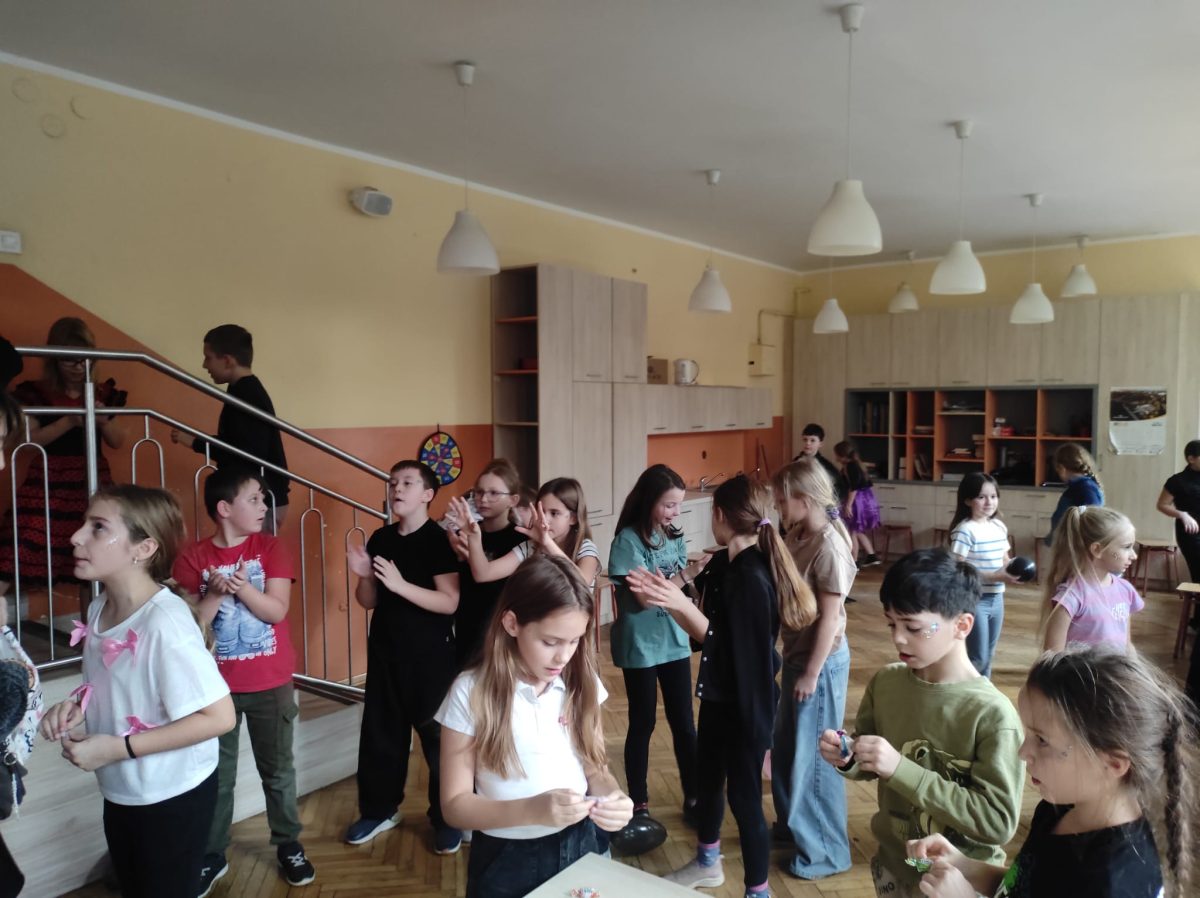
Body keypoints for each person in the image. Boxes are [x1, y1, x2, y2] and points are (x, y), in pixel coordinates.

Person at [37, 485, 235, 898]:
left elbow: (220, 717)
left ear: (143, 549)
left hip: (171, 793)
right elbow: (114, 681)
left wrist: (116, 748)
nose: (75, 536)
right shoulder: (99, 607)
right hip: (122, 787)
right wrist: (76, 706)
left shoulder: (165, 622)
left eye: (98, 527)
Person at [628, 476, 816, 898]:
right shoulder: (724, 565)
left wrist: (678, 603)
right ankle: (707, 863)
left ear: (719, 515)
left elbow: (733, 650)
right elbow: (708, 632)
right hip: (718, 697)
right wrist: (670, 597)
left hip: (746, 707)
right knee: (708, 782)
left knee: (745, 801)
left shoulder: (751, 575)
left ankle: (758, 890)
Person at [908, 645, 1198, 898]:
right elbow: (1028, 886)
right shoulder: (1059, 808)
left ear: (1113, 764)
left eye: (1042, 740)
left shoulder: (1112, 883)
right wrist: (965, 866)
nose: (1023, 753)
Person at [819, 548, 1023, 898]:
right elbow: (871, 761)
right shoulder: (886, 682)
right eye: (892, 624)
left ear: (962, 625)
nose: (898, 638)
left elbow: (997, 822)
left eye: (913, 627)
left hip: (956, 880)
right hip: (894, 865)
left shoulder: (992, 714)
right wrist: (848, 755)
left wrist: (900, 767)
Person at [437, 554, 633, 898]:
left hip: (581, 842)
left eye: (575, 641)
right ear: (512, 623)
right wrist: (532, 810)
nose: (563, 657)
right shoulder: (471, 691)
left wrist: (612, 796)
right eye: (550, 642)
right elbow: (454, 805)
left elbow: (595, 767)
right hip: (505, 857)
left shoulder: (581, 680)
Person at [172, 467, 312, 894]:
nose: (264, 506)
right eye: (254, 499)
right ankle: (213, 854)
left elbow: (276, 611)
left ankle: (288, 844)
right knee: (217, 776)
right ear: (224, 508)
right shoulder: (192, 558)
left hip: (271, 683)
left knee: (278, 771)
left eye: (263, 499)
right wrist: (214, 594)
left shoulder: (271, 547)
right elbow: (192, 629)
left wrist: (243, 589)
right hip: (215, 691)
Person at [344, 460, 463, 853]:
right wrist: (364, 575)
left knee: (438, 740)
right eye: (393, 482)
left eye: (408, 483)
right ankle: (379, 810)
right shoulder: (381, 538)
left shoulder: (439, 540)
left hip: (430, 658)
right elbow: (368, 601)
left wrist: (399, 584)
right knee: (381, 735)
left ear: (428, 494)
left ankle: (447, 817)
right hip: (385, 653)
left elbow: (449, 602)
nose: (397, 488)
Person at [0, 318, 125, 613]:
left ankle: (90, 632)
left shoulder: (102, 392)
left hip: (90, 479)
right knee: (18, 545)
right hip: (49, 478)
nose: (77, 366)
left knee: (90, 552)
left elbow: (118, 440)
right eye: (69, 359)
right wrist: (69, 420)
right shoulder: (36, 392)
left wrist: (101, 419)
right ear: (55, 359)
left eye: (83, 359)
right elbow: (27, 439)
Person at [770, 457, 856, 879]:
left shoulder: (829, 546)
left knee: (815, 759)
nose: (777, 507)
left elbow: (830, 619)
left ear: (803, 499)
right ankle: (794, 828)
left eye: (781, 501)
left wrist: (811, 674)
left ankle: (826, 853)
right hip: (797, 657)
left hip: (818, 665)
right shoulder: (798, 533)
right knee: (788, 750)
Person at [607, 464, 705, 828]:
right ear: (649, 501)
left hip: (675, 641)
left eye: (678, 505)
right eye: (669, 505)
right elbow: (646, 600)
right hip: (641, 646)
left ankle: (694, 796)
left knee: (684, 723)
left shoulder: (673, 536)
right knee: (642, 722)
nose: (675, 512)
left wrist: (690, 582)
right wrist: (686, 576)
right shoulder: (627, 542)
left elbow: (674, 590)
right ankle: (639, 803)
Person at [170, 325, 290, 531]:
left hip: (262, 499)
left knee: (253, 552)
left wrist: (195, 442)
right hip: (259, 495)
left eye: (208, 357)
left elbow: (242, 450)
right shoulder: (241, 389)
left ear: (227, 360)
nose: (204, 365)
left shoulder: (247, 393)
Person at [446, 460, 527, 669]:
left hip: (502, 633)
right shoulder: (463, 533)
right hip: (466, 628)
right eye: (479, 492)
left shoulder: (520, 540)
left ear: (513, 500)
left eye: (493, 493)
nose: (483, 499)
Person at [451, 477, 600, 591]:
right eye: (541, 511)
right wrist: (474, 537)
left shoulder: (585, 548)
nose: (545, 519)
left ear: (573, 518)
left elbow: (582, 583)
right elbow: (483, 574)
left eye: (554, 513)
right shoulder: (530, 547)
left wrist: (547, 543)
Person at [1040, 506, 1142, 653]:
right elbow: (1053, 657)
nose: (1134, 555)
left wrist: (1133, 666)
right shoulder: (1071, 598)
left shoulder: (1125, 590)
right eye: (1127, 547)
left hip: (1115, 668)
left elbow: (1127, 644)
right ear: (1097, 550)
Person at [947, 473, 1018, 677]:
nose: (989, 502)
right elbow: (958, 569)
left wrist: (1014, 569)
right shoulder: (965, 530)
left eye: (993, 496)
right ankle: (963, 689)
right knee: (978, 657)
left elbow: (1005, 559)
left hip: (997, 598)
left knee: (989, 654)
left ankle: (982, 691)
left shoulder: (998, 526)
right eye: (981, 497)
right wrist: (997, 576)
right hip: (974, 599)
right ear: (968, 500)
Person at [1157, 439, 1200, 701]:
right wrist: (1182, 515)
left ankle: (1196, 620)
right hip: (1191, 534)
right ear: (1191, 458)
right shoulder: (1178, 481)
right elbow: (1162, 504)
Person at [1044, 443, 1104, 546]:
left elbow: (1092, 520)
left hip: (1075, 545)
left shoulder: (1085, 488)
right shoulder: (1080, 486)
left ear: (1061, 468)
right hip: (1068, 543)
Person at [834, 440, 880, 568]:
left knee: (852, 530)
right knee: (856, 529)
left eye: (836, 454)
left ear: (842, 455)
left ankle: (853, 561)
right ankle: (871, 555)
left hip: (857, 500)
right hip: (865, 498)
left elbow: (853, 487)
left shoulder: (850, 467)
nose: (835, 457)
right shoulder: (855, 464)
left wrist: (848, 505)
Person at [793, 422, 843, 500]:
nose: (808, 443)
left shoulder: (826, 466)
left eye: (812, 440)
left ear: (820, 444)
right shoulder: (796, 461)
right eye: (805, 440)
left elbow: (838, 488)